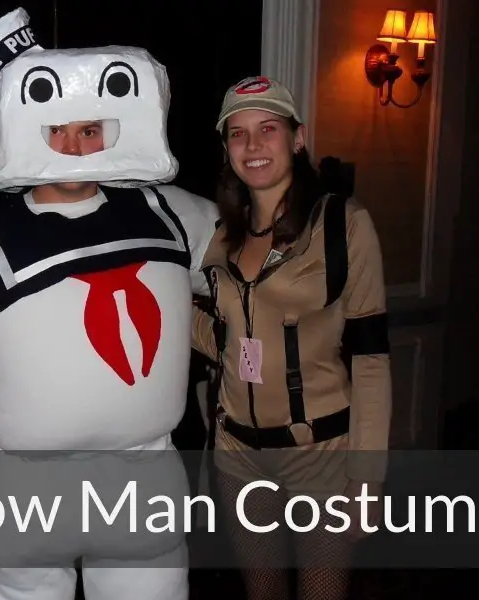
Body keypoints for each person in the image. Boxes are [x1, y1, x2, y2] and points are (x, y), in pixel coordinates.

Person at [0, 8, 219, 600]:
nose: (73, 146)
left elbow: (249, 263)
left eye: (88, 129)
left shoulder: (171, 213)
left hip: (145, 482)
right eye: (56, 130)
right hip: (26, 491)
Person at [191, 76, 393, 600]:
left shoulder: (343, 225)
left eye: (268, 129)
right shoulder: (223, 236)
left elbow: (371, 357)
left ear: (297, 138)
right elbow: (228, 341)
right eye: (237, 134)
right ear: (226, 149)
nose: (252, 145)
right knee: (262, 593)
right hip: (237, 453)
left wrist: (367, 479)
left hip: (320, 453)